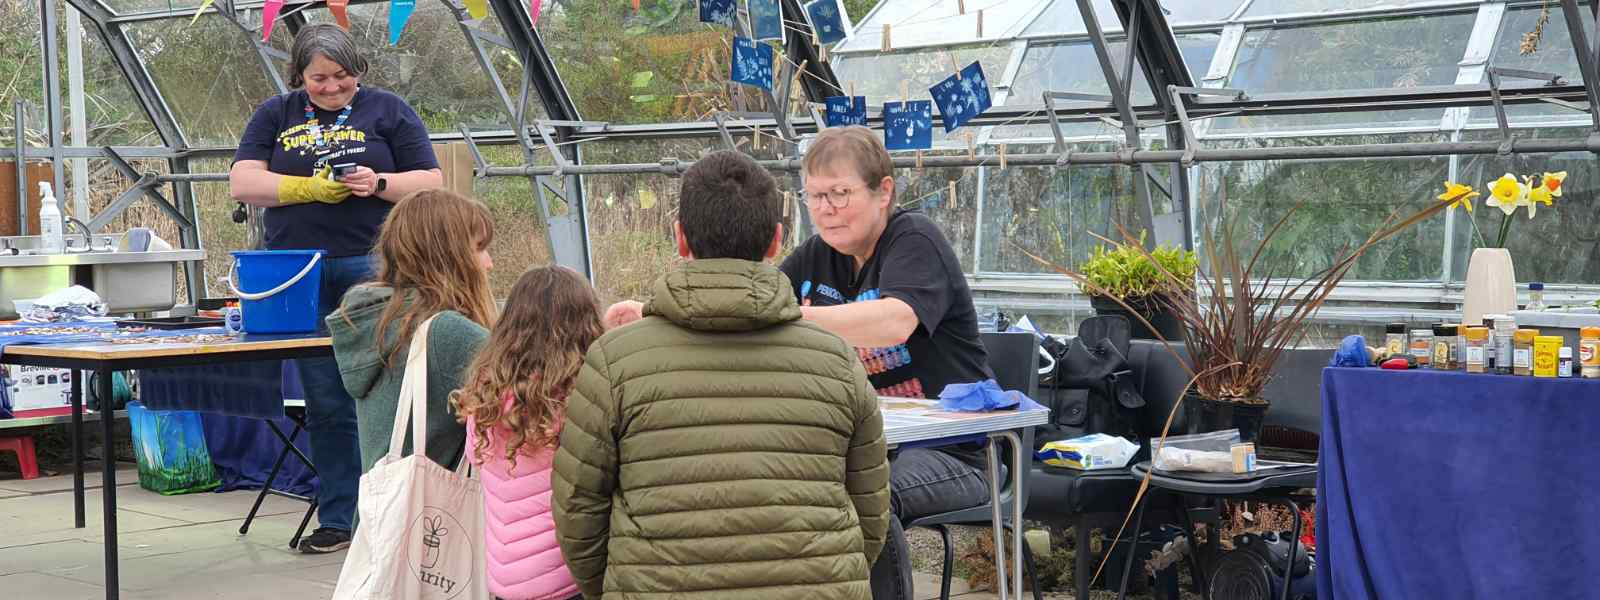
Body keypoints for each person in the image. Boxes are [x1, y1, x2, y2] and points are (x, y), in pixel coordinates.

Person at [552, 150, 890, 600]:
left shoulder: (614, 361)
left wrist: (615, 587)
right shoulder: (837, 361)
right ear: (776, 242)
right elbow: (870, 507)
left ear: (680, 238)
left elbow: (578, 507)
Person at [228, 23, 443, 554]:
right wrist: (304, 188)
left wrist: (379, 183)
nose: (331, 87)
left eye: (342, 76)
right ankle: (340, 520)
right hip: (298, 273)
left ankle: (395, 518)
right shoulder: (275, 114)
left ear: (359, 70)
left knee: (389, 394)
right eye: (319, 78)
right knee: (326, 400)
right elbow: (242, 181)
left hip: (374, 267)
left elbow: (431, 181)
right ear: (298, 76)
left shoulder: (388, 110)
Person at [785, 125, 999, 599]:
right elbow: (757, 300)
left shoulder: (915, 240)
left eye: (840, 193)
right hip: (871, 446)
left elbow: (895, 321)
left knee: (865, 496)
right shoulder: (816, 255)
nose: (825, 208)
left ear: (884, 192)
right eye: (814, 196)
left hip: (958, 453)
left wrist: (791, 316)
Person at [327, 189, 495, 485]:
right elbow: (538, 394)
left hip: (389, 509)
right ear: (449, 256)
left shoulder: (382, 318)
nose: (489, 263)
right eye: (479, 249)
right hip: (442, 511)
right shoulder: (446, 332)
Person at [450, 266, 599, 600]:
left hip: (505, 579)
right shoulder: (576, 401)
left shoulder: (485, 395)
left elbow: (475, 456)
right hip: (565, 576)